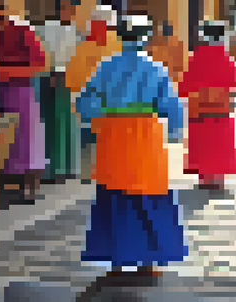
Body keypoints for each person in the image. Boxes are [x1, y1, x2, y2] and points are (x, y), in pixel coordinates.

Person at [77, 14, 188, 280]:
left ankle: (116, 260)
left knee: (113, 195)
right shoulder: (154, 68)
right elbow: (171, 106)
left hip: (113, 135)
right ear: (146, 37)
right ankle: (149, 261)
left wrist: (99, 118)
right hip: (144, 138)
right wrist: (175, 132)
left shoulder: (106, 66)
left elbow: (85, 102)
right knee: (148, 196)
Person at [0, 0, 49, 202]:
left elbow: (40, 65)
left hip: (19, 90)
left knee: (26, 139)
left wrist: (3, 69)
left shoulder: (22, 29)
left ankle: (30, 186)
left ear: (6, 6)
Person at [179, 21, 236, 192]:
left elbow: (184, 87)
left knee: (202, 144)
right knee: (219, 144)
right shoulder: (226, 58)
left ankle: (204, 177)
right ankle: (218, 178)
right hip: (221, 110)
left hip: (198, 110)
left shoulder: (194, 58)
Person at [66, 6, 123, 185]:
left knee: (88, 138)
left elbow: (72, 75)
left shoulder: (83, 45)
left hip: (89, 99)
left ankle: (87, 173)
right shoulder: (118, 43)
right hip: (110, 101)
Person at [34, 0, 83, 182]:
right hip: (49, 80)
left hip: (69, 82)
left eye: (72, 9)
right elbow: (43, 54)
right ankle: (51, 168)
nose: (69, 12)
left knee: (68, 124)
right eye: (66, 8)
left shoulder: (76, 33)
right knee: (51, 124)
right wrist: (52, 73)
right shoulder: (45, 29)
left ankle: (68, 167)